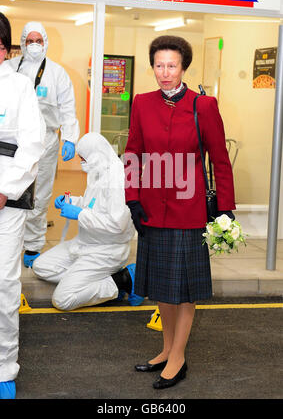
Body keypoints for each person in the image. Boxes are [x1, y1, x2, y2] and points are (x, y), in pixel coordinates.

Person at [124, 35, 235, 390]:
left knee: (183, 290)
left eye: (171, 65)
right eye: (159, 65)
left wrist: (226, 209)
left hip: (190, 212)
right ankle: (167, 349)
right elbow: (133, 154)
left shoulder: (203, 105)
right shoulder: (141, 103)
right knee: (162, 287)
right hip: (152, 211)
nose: (164, 73)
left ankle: (178, 358)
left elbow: (219, 159)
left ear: (183, 67)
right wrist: (132, 199)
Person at [32, 132, 144, 311]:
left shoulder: (118, 180)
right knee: (40, 267)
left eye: (83, 158)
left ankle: (123, 281)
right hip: (85, 243)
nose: (81, 162)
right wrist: (72, 202)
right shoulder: (99, 171)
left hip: (105, 251)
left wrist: (79, 214)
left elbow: (117, 224)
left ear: (95, 154)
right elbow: (92, 204)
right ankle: (88, 281)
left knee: (63, 299)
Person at [8, 22, 80, 267]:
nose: (35, 45)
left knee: (39, 196)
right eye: (30, 40)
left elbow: (68, 109)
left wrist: (70, 138)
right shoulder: (9, 68)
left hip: (45, 142)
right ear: (22, 42)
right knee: (9, 191)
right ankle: (8, 242)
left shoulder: (57, 73)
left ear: (46, 42)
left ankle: (32, 247)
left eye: (39, 40)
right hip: (11, 142)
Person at [0, 13, 46, 399]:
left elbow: (32, 144)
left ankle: (3, 366)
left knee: (2, 282)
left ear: (4, 48)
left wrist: (5, 190)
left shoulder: (19, 87)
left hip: (6, 198)